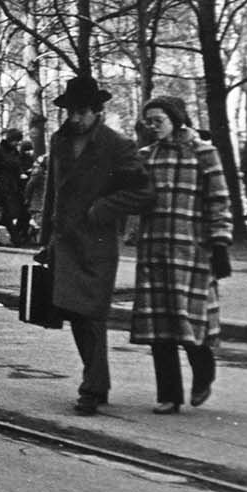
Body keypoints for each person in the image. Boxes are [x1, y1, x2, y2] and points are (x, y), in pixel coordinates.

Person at [36, 75, 155, 416]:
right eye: (71, 111)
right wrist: (46, 237)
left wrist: (104, 208)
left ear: (97, 111)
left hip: (97, 241)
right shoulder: (59, 141)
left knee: (91, 314)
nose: (75, 118)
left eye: (82, 112)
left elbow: (143, 192)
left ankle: (93, 386)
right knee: (75, 313)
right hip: (65, 241)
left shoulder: (117, 145)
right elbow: (52, 194)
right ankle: (96, 382)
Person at [129, 96, 232, 414]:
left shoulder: (203, 152)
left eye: (158, 119)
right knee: (160, 326)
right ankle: (169, 395)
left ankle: (204, 374)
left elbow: (218, 200)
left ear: (176, 118)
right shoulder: (146, 156)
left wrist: (220, 245)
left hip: (192, 251)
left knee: (191, 320)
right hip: (155, 250)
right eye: (148, 121)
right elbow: (133, 198)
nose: (152, 126)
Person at [0, 129, 30, 245]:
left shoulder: (14, 152)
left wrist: (21, 173)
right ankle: (16, 239)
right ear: (10, 139)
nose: (17, 143)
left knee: (0, 213)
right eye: (16, 140)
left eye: (19, 141)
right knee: (2, 212)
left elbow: (17, 165)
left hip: (11, 187)